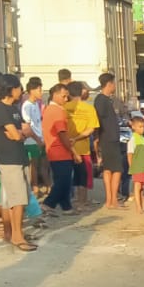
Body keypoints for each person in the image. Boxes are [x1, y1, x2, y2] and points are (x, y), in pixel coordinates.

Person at [0, 75, 36, 251]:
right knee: (18, 199)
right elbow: (16, 134)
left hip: (18, 157)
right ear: (10, 89)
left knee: (10, 200)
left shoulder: (13, 108)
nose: (20, 91)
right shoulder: (0, 108)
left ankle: (10, 233)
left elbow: (23, 131)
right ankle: (18, 236)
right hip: (9, 160)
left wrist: (21, 132)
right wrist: (22, 133)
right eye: (18, 87)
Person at [41, 84, 80, 215]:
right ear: (55, 95)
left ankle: (66, 207)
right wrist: (73, 152)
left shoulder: (49, 109)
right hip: (60, 151)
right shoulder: (57, 111)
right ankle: (48, 203)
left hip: (53, 150)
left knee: (63, 180)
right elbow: (62, 133)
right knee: (63, 181)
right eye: (64, 96)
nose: (66, 99)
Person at [93, 74, 126, 209]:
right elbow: (98, 120)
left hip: (108, 137)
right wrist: (97, 138)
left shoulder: (106, 100)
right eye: (113, 83)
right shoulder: (101, 100)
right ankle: (112, 200)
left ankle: (110, 200)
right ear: (109, 84)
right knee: (116, 169)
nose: (115, 86)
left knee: (108, 170)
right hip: (108, 138)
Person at [65, 81, 99, 207]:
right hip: (83, 147)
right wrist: (77, 137)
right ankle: (82, 200)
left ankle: (70, 200)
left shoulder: (64, 107)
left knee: (69, 175)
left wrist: (69, 139)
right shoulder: (89, 108)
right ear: (81, 92)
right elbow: (91, 129)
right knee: (83, 175)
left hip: (66, 147)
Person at [22, 77, 48, 196]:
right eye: (39, 90)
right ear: (31, 91)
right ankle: (35, 188)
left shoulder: (36, 104)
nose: (41, 93)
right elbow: (28, 126)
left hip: (39, 139)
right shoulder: (26, 106)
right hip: (32, 141)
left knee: (43, 164)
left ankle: (47, 186)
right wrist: (37, 139)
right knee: (34, 165)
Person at [127, 113, 144, 213]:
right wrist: (131, 167)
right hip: (137, 167)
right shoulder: (132, 140)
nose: (142, 129)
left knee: (142, 187)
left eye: (143, 126)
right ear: (133, 127)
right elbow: (130, 155)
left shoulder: (143, 139)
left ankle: (141, 206)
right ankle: (138, 207)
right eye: (140, 127)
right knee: (137, 187)